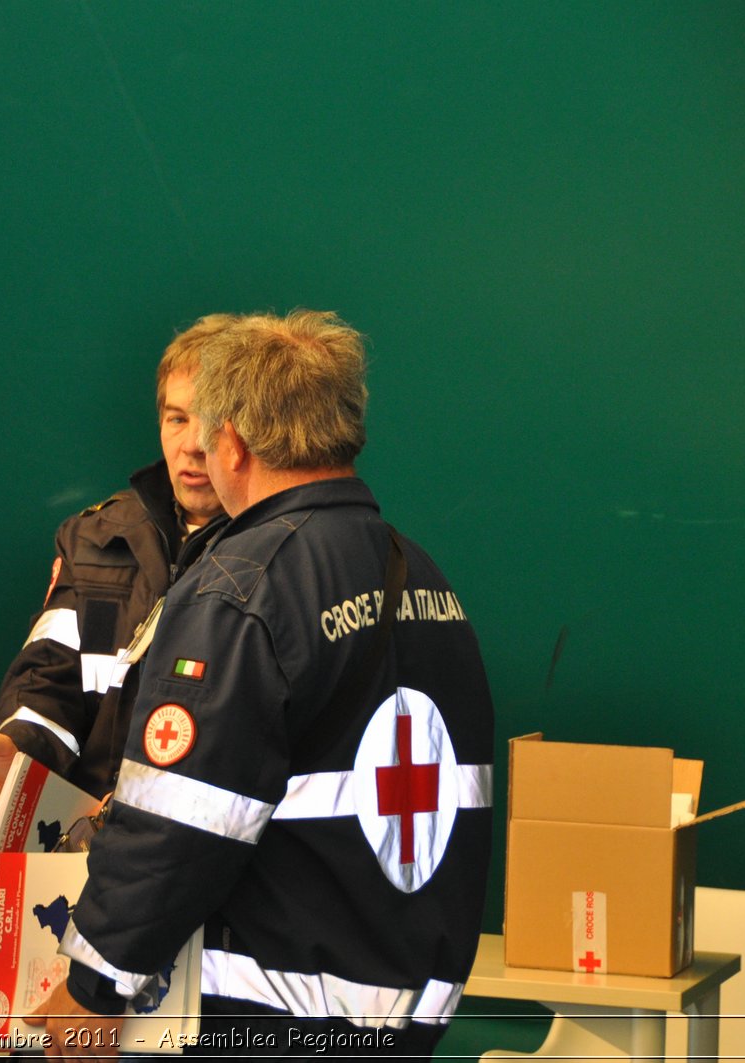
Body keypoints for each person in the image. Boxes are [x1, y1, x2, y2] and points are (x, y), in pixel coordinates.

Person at [25, 310, 495, 1059]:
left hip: (270, 1016)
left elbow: (179, 822)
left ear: (233, 444)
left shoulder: (240, 589)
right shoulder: (424, 577)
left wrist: (93, 987)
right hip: (404, 1016)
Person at [0, 318, 230, 804]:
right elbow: (52, 682)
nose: (192, 444)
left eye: (215, 421)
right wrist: (14, 754)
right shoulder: (95, 538)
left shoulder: (283, 548)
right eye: (177, 418)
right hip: (95, 846)